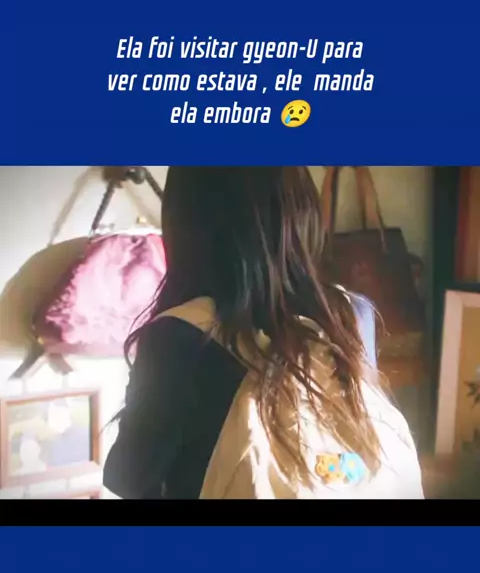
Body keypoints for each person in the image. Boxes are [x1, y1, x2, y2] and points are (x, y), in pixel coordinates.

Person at [103, 166, 423, 499]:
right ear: (301, 211)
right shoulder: (351, 312)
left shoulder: (179, 335)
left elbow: (127, 476)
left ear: (186, 224)